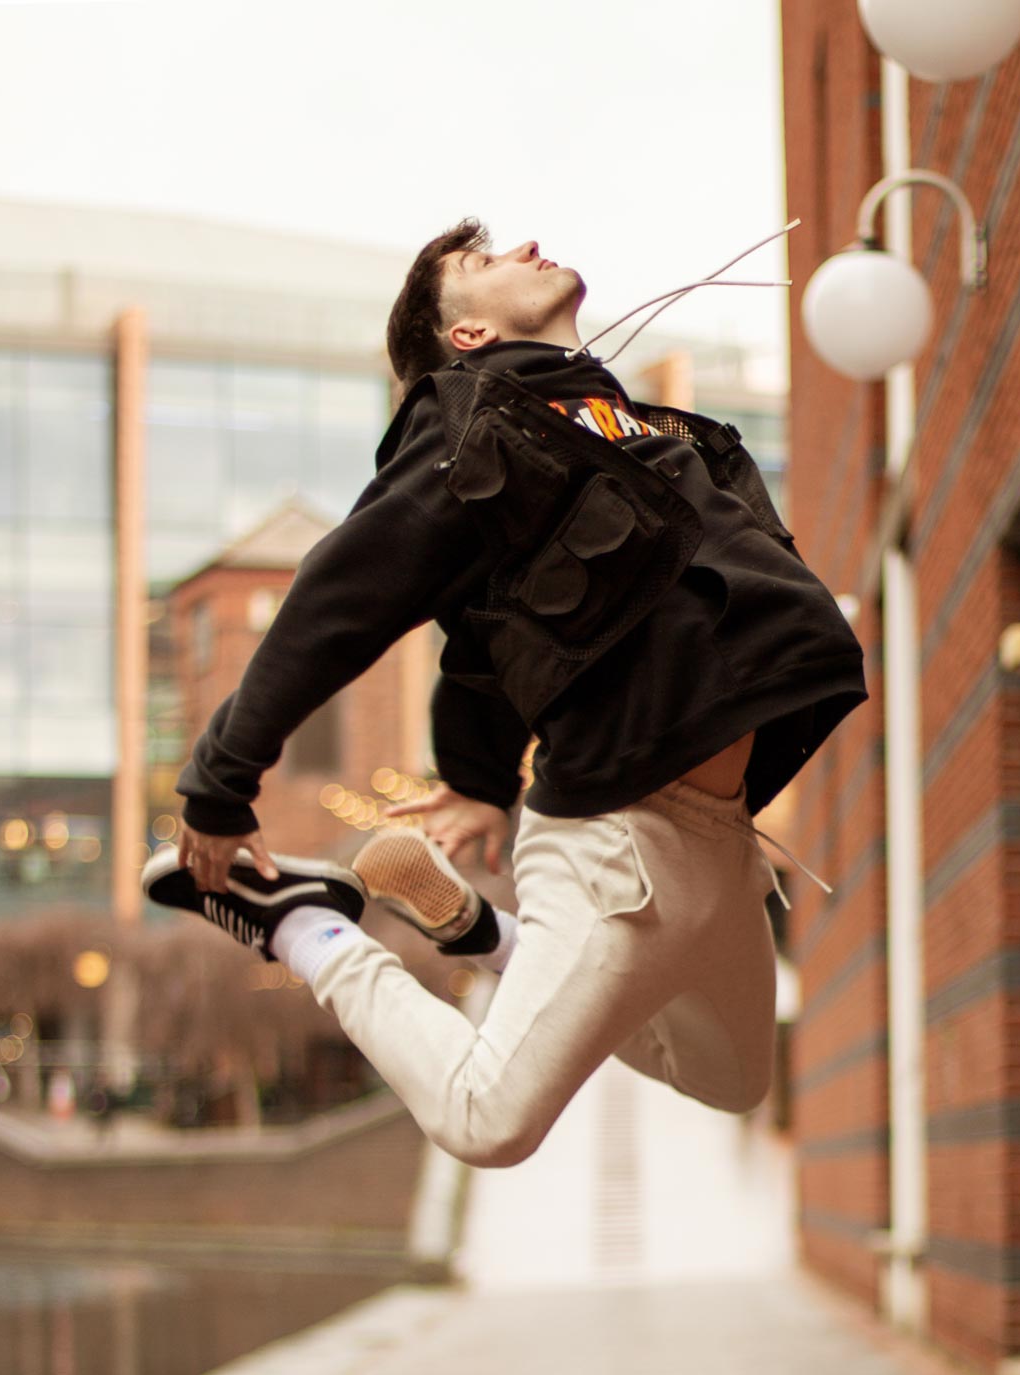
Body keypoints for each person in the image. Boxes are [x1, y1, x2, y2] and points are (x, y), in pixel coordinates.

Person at [144, 220, 867, 1168]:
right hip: (619, 843)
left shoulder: (631, 431)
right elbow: (341, 596)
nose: (525, 243)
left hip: (720, 845)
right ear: (469, 336)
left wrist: (479, 783)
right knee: (488, 1121)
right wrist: (218, 783)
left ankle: (492, 939)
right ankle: (304, 927)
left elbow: (498, 631)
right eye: (482, 265)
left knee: (732, 1082)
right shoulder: (473, 422)